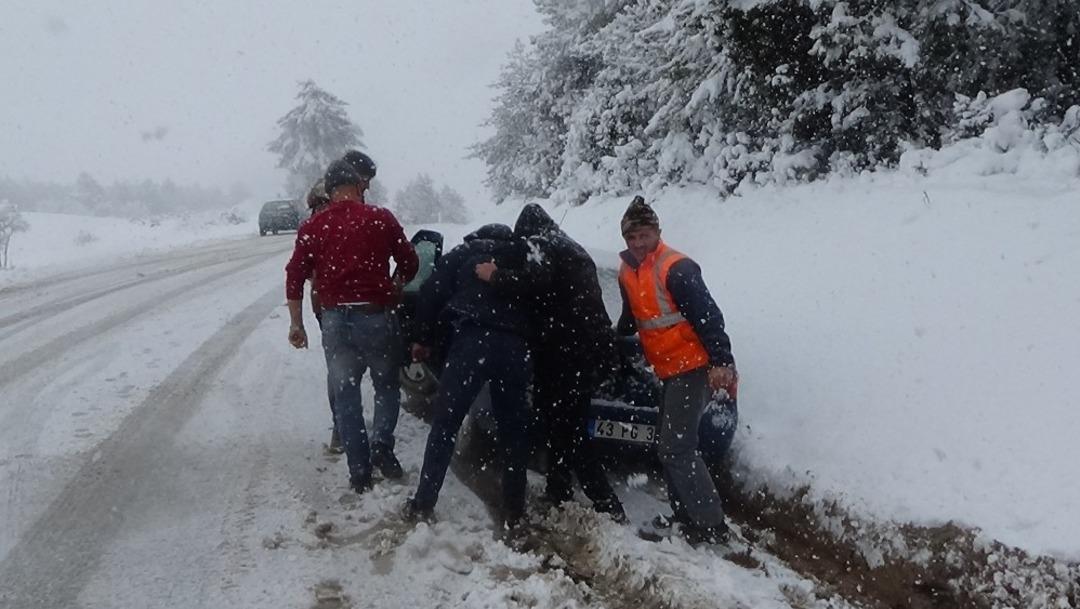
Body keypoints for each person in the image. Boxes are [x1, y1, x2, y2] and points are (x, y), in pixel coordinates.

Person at [476, 203, 626, 522]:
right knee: (559, 422)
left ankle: (607, 503)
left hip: (567, 352)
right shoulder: (573, 248)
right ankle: (558, 489)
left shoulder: (541, 242)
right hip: (585, 349)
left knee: (569, 429)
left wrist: (496, 276)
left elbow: (535, 283)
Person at [285, 159, 418, 493]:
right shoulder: (380, 218)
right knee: (387, 386)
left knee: (346, 395)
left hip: (334, 321)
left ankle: (359, 472)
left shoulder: (313, 227)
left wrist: (296, 324)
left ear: (329, 192)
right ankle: (382, 447)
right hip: (376, 316)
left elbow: (295, 276)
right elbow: (410, 263)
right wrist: (395, 284)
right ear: (358, 187)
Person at [616, 196, 738, 545]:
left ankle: (710, 525)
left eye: (644, 235)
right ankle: (685, 516)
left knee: (676, 448)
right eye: (631, 238)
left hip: (693, 366)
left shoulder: (677, 267)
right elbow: (631, 319)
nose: (638, 243)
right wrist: (606, 339)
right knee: (669, 446)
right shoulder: (628, 271)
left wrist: (721, 361)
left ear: (657, 232)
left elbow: (709, 317)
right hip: (667, 369)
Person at [403, 224, 533, 532]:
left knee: (445, 425)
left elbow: (430, 294)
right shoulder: (520, 257)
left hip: (472, 342)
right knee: (514, 433)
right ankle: (515, 510)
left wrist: (421, 338)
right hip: (515, 346)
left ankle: (423, 502)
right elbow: (541, 300)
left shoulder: (463, 254)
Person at [301, 179, 344, 454]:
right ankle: (345, 429)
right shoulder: (336, 218)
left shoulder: (311, 222)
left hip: (324, 303)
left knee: (338, 367)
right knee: (346, 368)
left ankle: (341, 429)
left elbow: (304, 267)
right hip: (342, 302)